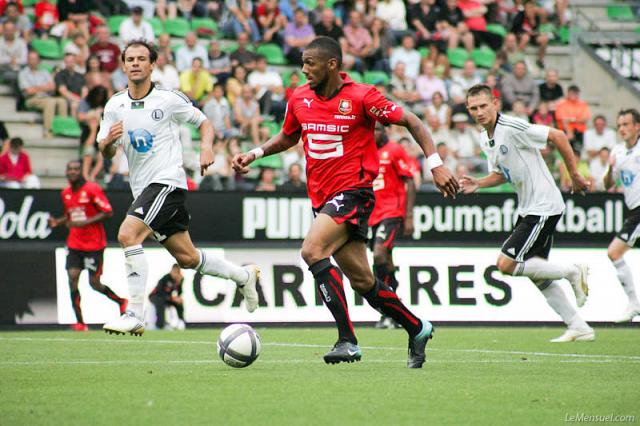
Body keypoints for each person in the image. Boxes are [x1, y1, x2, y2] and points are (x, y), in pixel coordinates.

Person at [232, 36, 458, 367]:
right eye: (303, 62)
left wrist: (435, 163)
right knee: (364, 282)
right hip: (322, 197)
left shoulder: (362, 96)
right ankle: (417, 327)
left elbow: (411, 120)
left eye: (310, 62)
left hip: (355, 192)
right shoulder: (299, 98)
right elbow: (289, 135)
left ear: (332, 65)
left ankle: (347, 340)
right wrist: (255, 153)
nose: (304, 69)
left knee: (311, 251)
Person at [98, 40, 259, 336]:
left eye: (141, 59)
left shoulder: (168, 99)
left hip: (166, 184)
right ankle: (243, 275)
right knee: (187, 258)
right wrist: (107, 143)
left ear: (152, 65)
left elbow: (205, 123)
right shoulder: (114, 105)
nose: (135, 63)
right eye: (130, 59)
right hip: (143, 189)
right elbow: (105, 151)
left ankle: (134, 312)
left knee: (127, 234)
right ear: (123, 66)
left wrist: (207, 148)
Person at [461, 84, 594, 343]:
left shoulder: (511, 127)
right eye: (474, 108)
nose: (479, 112)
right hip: (529, 208)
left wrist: (574, 174)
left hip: (543, 206)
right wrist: (479, 182)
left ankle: (572, 272)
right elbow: (501, 174)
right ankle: (579, 326)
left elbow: (558, 136)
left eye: (483, 106)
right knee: (537, 273)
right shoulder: (485, 137)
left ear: (495, 103)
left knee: (506, 264)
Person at [47, 160, 128, 331]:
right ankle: (80, 322)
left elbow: (108, 211)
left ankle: (121, 301)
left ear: (81, 172)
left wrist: (85, 222)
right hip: (75, 243)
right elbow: (71, 215)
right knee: (73, 277)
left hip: (94, 244)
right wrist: (58, 222)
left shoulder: (92, 189)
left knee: (94, 283)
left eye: (76, 169)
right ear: (66, 172)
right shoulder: (66, 193)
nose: (73, 172)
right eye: (70, 169)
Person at [369, 122, 415, 329]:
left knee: (379, 255)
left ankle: (388, 309)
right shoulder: (366, 151)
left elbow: (410, 181)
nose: (374, 133)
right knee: (385, 261)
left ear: (385, 130)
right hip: (371, 215)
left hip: (391, 212)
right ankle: (394, 310)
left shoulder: (395, 150)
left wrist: (409, 216)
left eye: (378, 129)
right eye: (372, 129)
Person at [603, 108, 640, 322]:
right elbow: (607, 184)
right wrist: (610, 169)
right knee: (615, 253)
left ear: (637, 126)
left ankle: (634, 303)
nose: (622, 129)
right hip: (633, 210)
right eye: (619, 126)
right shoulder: (617, 152)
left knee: (614, 252)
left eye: (626, 124)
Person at [149, 264, 185, 330]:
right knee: (160, 301)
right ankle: (160, 325)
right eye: (174, 272)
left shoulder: (180, 279)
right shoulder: (165, 278)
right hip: (155, 296)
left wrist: (178, 284)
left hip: (167, 298)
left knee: (180, 302)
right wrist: (172, 298)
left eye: (177, 272)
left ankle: (181, 321)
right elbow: (160, 292)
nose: (176, 274)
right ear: (171, 271)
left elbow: (179, 292)